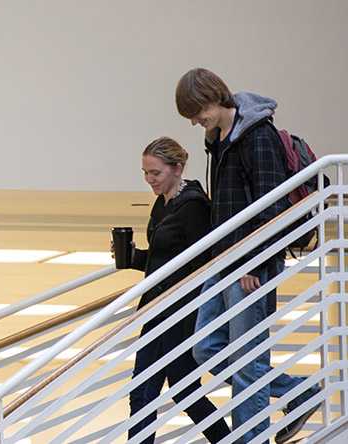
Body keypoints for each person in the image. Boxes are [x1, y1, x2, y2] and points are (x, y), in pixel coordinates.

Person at [176, 67, 321, 444]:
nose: (195, 121)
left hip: (250, 263)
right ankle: (299, 390)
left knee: (248, 362)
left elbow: (271, 207)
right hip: (225, 259)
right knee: (206, 348)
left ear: (213, 96)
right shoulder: (218, 137)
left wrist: (253, 262)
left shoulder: (257, 135)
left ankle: (249, 438)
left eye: (197, 112)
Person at [121, 136, 231, 444]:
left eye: (155, 173)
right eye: (145, 172)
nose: (149, 180)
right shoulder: (162, 203)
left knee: (143, 390)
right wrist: (134, 258)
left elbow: (204, 262)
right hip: (158, 305)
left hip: (177, 311)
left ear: (177, 168)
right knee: (184, 389)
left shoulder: (194, 205)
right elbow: (165, 259)